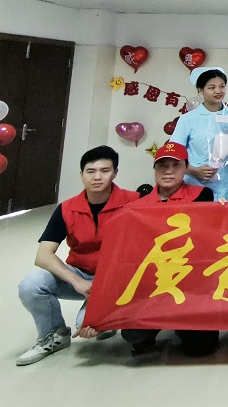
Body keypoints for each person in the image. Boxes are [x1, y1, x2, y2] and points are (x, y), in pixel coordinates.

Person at [15, 146, 139, 366]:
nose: (97, 177)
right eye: (90, 171)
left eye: (105, 170)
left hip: (118, 280)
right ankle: (55, 335)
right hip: (81, 276)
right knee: (31, 285)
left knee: (89, 325)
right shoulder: (67, 208)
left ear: (115, 173)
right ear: (81, 175)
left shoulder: (135, 202)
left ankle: (105, 317)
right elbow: (43, 255)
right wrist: (76, 281)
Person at [122, 142, 218, 356]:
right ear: (154, 169)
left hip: (191, 281)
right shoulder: (137, 206)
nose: (168, 171)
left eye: (176, 165)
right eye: (162, 166)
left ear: (186, 168)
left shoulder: (202, 196)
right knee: (133, 334)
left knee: (200, 347)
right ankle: (153, 327)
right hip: (153, 282)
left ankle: (182, 324)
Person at [170, 66, 228, 201]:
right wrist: (193, 170)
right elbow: (174, 154)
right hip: (193, 184)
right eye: (212, 87)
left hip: (225, 186)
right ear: (200, 90)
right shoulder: (188, 119)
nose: (218, 91)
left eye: (222, 86)